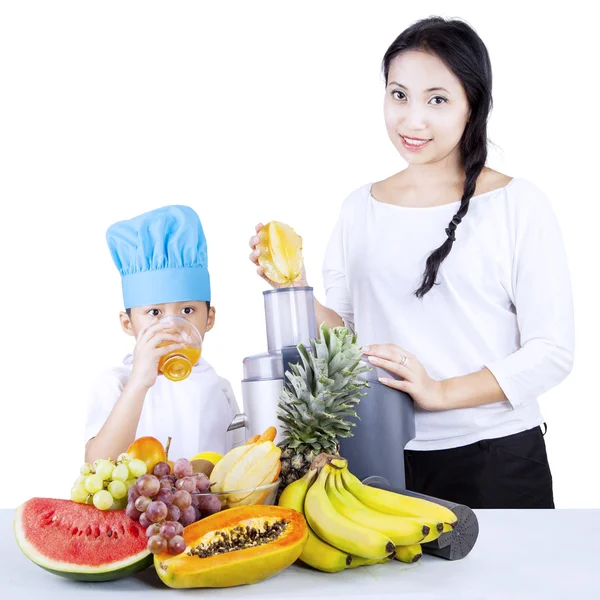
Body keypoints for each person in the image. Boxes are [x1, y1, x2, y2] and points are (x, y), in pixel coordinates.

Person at [249, 16, 574, 509]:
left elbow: (551, 352)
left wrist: (439, 392)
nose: (412, 119)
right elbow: (348, 339)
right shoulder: (361, 207)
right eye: (398, 95)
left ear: (474, 104)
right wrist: (297, 287)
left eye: (437, 99)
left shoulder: (517, 204)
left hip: (497, 458)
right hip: (378, 455)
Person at [85, 205, 243, 464]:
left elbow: (240, 471)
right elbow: (97, 465)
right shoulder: (116, 383)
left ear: (209, 319)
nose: (172, 326)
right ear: (128, 324)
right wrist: (139, 382)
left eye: (188, 310)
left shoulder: (220, 388)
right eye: (155, 313)